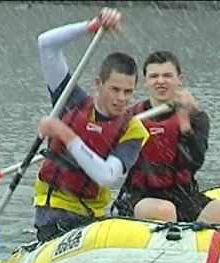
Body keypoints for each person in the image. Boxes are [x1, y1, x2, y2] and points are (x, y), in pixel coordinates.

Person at [32, 8, 150, 243]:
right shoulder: (70, 100)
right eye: (115, 89)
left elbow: (105, 176)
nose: (122, 99)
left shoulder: (133, 130)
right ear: (99, 84)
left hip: (91, 217)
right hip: (52, 212)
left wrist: (65, 134)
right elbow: (46, 44)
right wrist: (91, 26)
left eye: (128, 92)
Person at [113, 51, 220, 225]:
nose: (160, 81)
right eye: (154, 76)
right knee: (165, 210)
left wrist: (185, 122)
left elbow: (195, 161)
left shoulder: (197, 118)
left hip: (184, 195)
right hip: (140, 196)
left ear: (179, 79)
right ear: (145, 82)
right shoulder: (128, 119)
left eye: (167, 75)